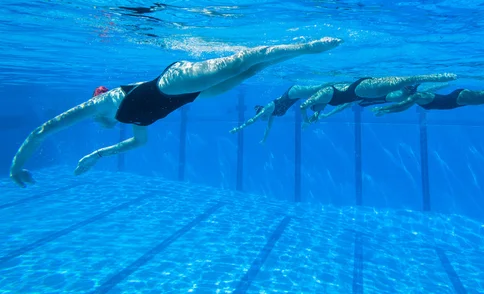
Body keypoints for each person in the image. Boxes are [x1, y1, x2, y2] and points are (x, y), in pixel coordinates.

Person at [9, 37, 342, 187]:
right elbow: (137, 144)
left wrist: (16, 166)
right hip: (188, 96)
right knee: (249, 72)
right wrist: (97, 154)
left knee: (239, 62)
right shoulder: (130, 121)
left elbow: (42, 130)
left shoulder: (102, 104)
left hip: (171, 82)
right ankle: (297, 54)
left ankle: (306, 45)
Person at [299, 73, 458, 124]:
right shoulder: (326, 102)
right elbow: (339, 106)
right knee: (406, 94)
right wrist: (318, 116)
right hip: (363, 94)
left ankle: (436, 77)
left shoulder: (325, 93)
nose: (317, 110)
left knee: (402, 83)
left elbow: (303, 106)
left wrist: (306, 119)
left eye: (316, 109)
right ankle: (437, 82)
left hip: (360, 88)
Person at [229, 83, 335, 143]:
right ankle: (334, 86)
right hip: (295, 97)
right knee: (318, 103)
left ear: (261, 112)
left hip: (292, 93)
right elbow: (268, 128)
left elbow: (252, 120)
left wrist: (238, 128)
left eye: (262, 116)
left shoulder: (268, 108)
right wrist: (264, 139)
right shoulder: (272, 115)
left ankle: (335, 82)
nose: (263, 118)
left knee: (316, 89)